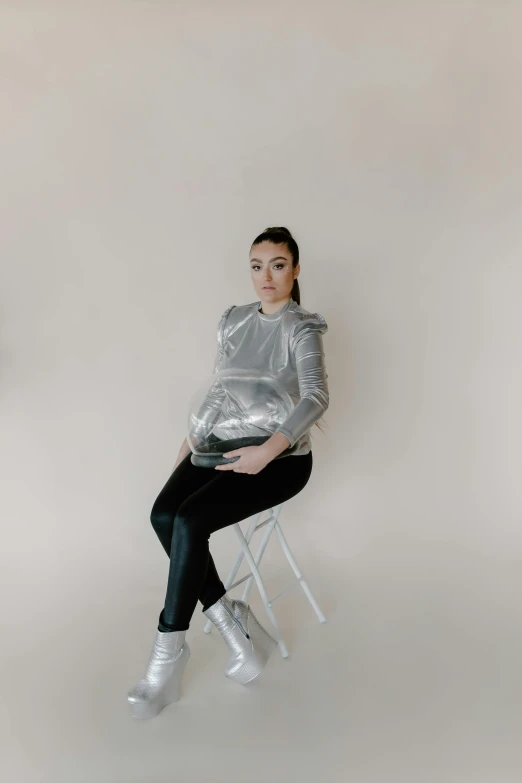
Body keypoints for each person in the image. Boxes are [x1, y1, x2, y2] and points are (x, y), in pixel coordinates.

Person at [127, 226, 329, 719]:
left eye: (278, 265)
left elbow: (315, 397)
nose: (266, 276)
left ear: (296, 270)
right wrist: (188, 446)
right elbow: (221, 392)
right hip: (222, 442)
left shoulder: (302, 327)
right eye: (257, 265)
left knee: (192, 520)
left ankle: (167, 657)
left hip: (282, 458)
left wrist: (269, 450)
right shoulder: (234, 321)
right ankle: (229, 619)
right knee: (163, 514)